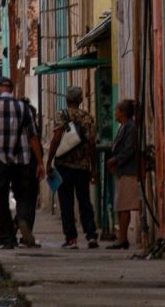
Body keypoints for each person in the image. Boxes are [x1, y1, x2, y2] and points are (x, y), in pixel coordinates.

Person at [0, 76, 44, 250]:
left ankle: (7, 239)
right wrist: (41, 163)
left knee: (0, 200)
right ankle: (21, 218)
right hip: (21, 160)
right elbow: (33, 137)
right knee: (23, 195)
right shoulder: (23, 107)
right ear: (12, 90)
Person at [47, 86, 98, 249]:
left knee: (66, 202)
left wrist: (49, 160)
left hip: (64, 166)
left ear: (67, 99)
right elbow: (91, 145)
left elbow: (55, 139)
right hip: (82, 167)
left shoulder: (62, 115)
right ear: (81, 99)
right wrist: (93, 167)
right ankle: (91, 235)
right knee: (85, 201)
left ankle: (71, 238)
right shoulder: (88, 118)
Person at [107, 99, 139, 249]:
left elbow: (129, 149)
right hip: (122, 171)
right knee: (120, 205)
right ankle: (122, 238)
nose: (115, 113)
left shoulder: (130, 127)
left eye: (117, 110)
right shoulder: (124, 127)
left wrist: (116, 160)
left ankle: (123, 239)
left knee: (124, 205)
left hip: (128, 171)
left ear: (123, 113)